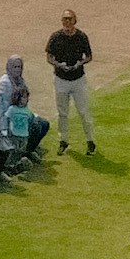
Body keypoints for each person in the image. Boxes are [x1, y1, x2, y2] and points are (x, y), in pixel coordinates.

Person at [47, 11, 97, 155]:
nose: (67, 22)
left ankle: (90, 140)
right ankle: (63, 140)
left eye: (70, 19)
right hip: (61, 79)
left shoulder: (81, 37)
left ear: (75, 20)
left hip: (78, 80)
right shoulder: (55, 37)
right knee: (62, 112)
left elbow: (89, 56)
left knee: (83, 111)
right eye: (64, 19)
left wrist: (79, 64)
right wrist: (58, 65)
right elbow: (49, 56)